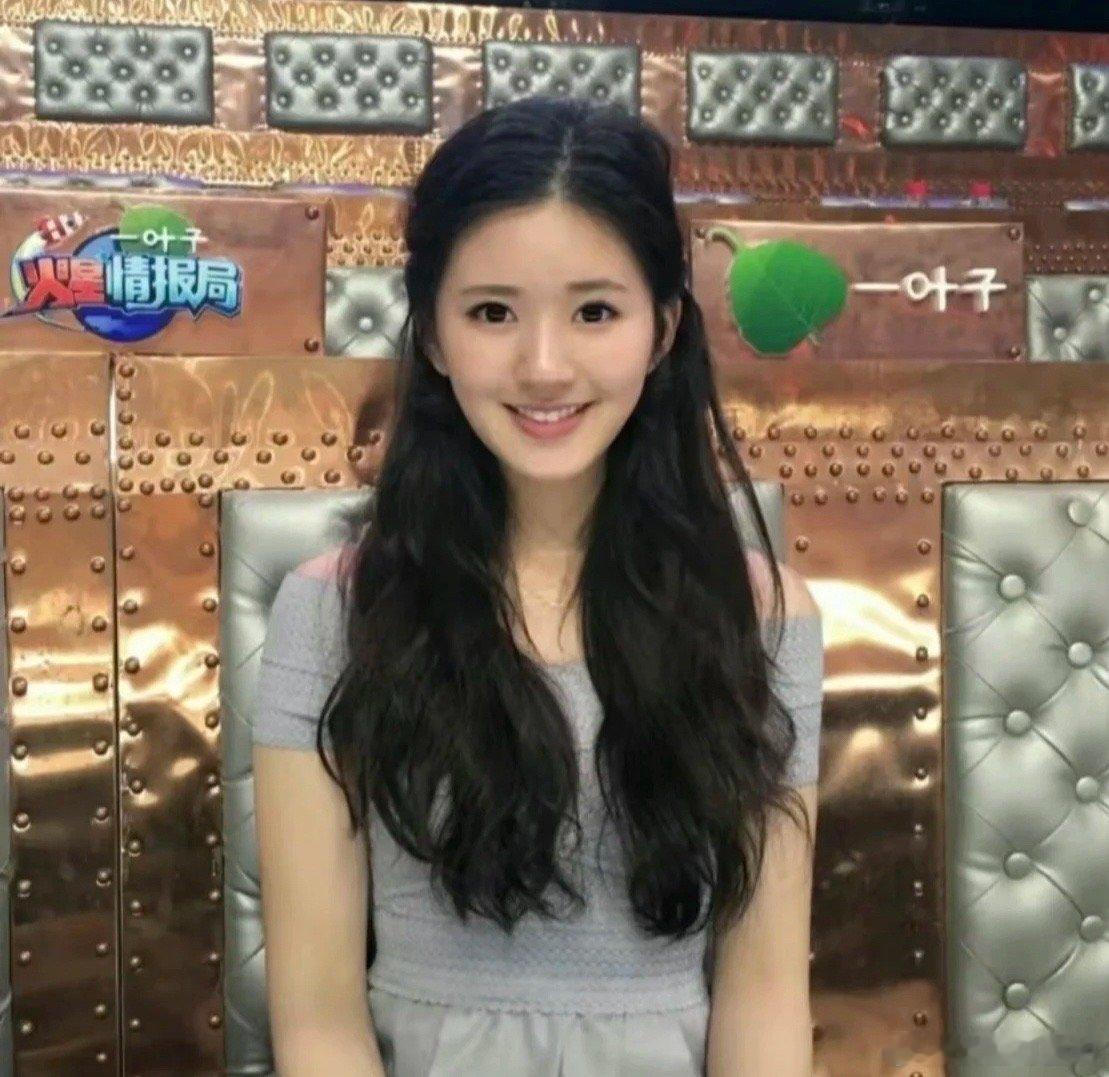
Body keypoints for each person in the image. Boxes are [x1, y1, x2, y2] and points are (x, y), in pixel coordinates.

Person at [252, 94, 824, 1076]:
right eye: (492, 313)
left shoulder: (763, 615)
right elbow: (316, 1016)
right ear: (434, 336)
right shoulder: (334, 610)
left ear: (661, 329)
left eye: (595, 311)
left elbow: (765, 997)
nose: (544, 366)